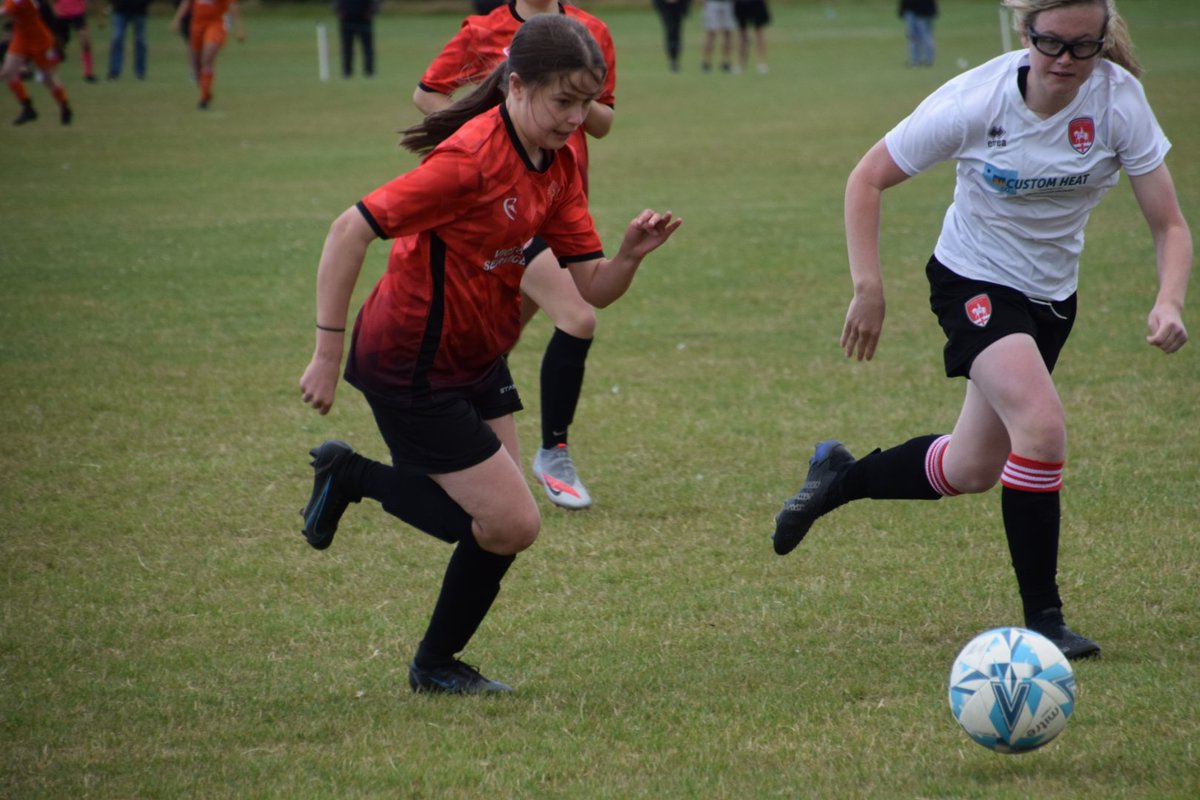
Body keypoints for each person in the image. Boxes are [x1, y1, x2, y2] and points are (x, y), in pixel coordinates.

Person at [772, 0, 1191, 661]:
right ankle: (1044, 622)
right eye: (1051, 43)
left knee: (970, 467)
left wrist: (1169, 302)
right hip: (972, 281)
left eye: (1084, 48)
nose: (1065, 62)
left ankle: (838, 478)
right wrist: (868, 287)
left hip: (1051, 300)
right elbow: (867, 178)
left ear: (1103, 39)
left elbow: (1168, 224)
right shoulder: (976, 101)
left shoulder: (1119, 102)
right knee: (1043, 427)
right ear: (1025, 31)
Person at [298, 14, 681, 694]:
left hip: (475, 357)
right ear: (516, 85)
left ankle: (432, 661)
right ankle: (355, 487)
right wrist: (327, 352)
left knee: (493, 524)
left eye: (584, 103)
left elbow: (590, 287)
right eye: (562, 101)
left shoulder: (556, 164)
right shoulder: (471, 160)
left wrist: (628, 256)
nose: (575, 119)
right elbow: (348, 229)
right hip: (410, 360)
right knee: (510, 522)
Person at [413, 0, 617, 511]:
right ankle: (551, 454)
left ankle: (456, 448)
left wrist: (570, 90)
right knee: (576, 317)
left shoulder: (591, 30)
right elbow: (428, 93)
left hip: (561, 206)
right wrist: (492, 135)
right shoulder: (483, 30)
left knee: (496, 341)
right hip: (507, 206)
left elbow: (604, 123)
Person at [1, 0, 73, 125]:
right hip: (21, 38)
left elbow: (4, 12)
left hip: (40, 41)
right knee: (7, 72)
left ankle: (65, 107)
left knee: (47, 79)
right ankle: (28, 108)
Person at [171, 0, 244, 110]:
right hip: (197, 24)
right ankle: (206, 92)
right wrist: (177, 19)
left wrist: (239, 28)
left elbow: (233, 6)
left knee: (207, 58)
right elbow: (186, 3)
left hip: (216, 23)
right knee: (196, 64)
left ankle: (203, 99)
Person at [52, 0, 95, 81]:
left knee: (85, 42)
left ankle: (88, 74)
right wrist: (54, 11)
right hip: (62, 14)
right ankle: (51, 73)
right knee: (58, 47)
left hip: (78, 13)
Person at [107, 0, 150, 80]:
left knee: (140, 41)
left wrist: (143, 3)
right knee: (117, 38)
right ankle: (114, 72)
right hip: (120, 9)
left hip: (140, 10)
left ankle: (140, 72)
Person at [333, 0, 376, 79]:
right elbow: (336, 2)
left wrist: (371, 12)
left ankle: (369, 72)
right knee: (347, 48)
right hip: (347, 20)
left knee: (368, 48)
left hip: (365, 20)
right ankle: (347, 72)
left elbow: (375, 2)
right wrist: (339, 11)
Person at [652, 0, 690, 72]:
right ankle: (672, 58)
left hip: (679, 4)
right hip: (664, 5)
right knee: (670, 30)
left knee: (677, 31)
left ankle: (675, 58)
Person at [734, 0, 770, 74]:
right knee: (742, 34)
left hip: (756, 3)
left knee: (759, 33)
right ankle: (740, 64)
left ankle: (762, 63)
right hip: (741, 3)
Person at [700, 0, 734, 72]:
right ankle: (706, 62)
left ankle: (725, 62)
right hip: (712, 3)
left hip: (727, 3)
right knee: (711, 33)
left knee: (727, 33)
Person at [900, 0, 937, 67]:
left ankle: (929, 59)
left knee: (926, 36)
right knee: (913, 37)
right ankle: (915, 59)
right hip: (910, 10)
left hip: (924, 11)